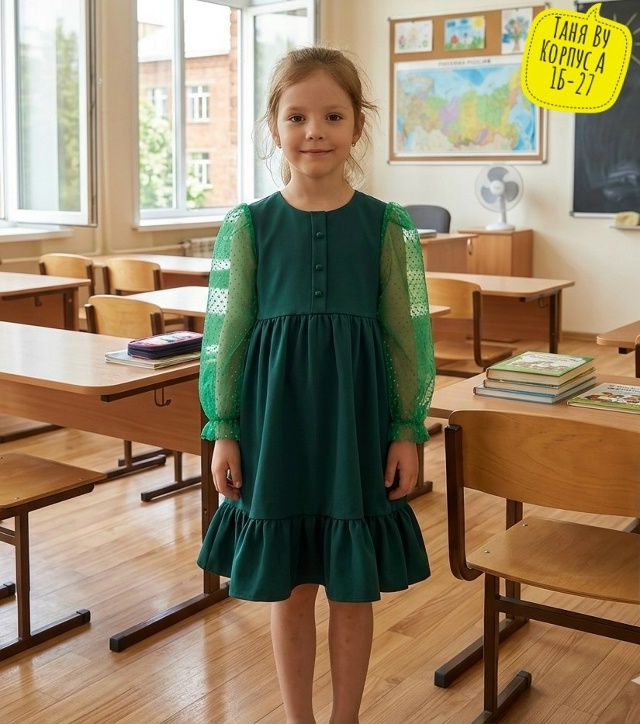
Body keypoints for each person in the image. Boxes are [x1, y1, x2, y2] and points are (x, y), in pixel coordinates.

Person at [197, 45, 436, 724]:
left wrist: (407, 429)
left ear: (357, 124)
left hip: (355, 426)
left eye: (333, 116)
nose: (314, 132)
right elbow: (226, 339)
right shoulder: (249, 226)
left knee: (352, 590)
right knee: (293, 586)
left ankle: (345, 718)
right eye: (297, 116)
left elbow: (407, 340)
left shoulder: (388, 226)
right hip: (276, 428)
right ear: (274, 126)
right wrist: (224, 428)